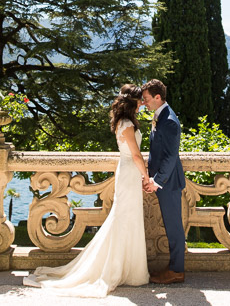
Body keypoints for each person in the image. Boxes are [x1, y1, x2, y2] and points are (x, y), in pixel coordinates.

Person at [22, 84, 150, 297]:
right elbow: (136, 155)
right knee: (125, 218)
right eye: (140, 101)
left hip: (127, 171)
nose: (142, 104)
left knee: (127, 218)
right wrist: (146, 176)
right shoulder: (127, 124)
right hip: (129, 173)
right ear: (133, 103)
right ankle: (121, 269)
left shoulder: (123, 122)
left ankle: (127, 268)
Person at [141, 78, 186, 284]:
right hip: (163, 181)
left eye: (147, 99)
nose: (145, 103)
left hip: (168, 183)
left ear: (158, 97)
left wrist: (156, 181)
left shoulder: (168, 120)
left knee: (173, 226)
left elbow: (170, 156)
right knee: (170, 225)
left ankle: (177, 270)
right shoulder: (161, 116)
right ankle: (173, 268)